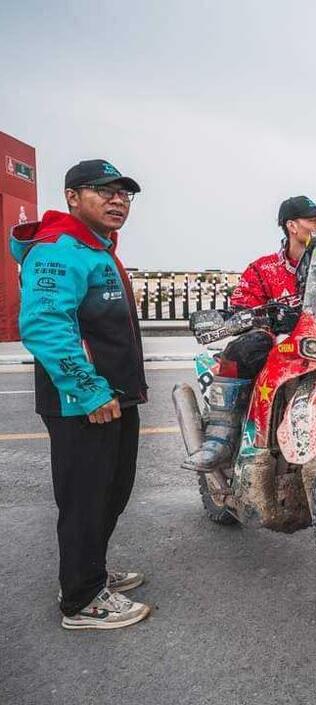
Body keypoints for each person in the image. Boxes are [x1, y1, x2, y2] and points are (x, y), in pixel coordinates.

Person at [9, 159, 150, 630]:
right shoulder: (59, 249)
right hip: (84, 402)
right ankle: (82, 599)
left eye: (124, 194)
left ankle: (91, 571)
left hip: (114, 396)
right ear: (72, 197)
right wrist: (89, 392)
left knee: (112, 491)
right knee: (86, 499)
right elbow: (45, 326)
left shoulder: (95, 248)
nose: (118, 200)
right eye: (104, 191)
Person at [183, 195, 316, 471]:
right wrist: (263, 319)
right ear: (291, 226)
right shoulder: (263, 269)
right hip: (280, 348)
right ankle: (220, 439)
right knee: (247, 346)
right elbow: (242, 308)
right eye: (313, 219)